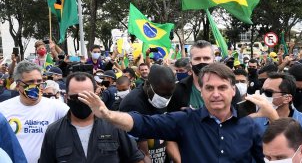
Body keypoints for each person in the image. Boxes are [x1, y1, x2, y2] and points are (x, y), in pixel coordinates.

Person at [78, 63, 265, 163]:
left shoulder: (250, 127)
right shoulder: (185, 121)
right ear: (202, 92)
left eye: (222, 87)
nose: (216, 94)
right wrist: (108, 114)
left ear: (233, 90)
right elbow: (141, 122)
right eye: (209, 88)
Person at [39, 72, 144, 163]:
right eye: (76, 97)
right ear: (66, 98)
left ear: (96, 95)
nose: (81, 100)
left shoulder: (114, 126)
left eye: (87, 96)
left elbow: (135, 159)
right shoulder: (54, 131)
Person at [0, 60, 69, 163]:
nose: (36, 86)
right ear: (18, 85)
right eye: (30, 82)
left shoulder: (57, 107)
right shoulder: (3, 109)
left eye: (39, 82)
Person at [255, 72, 302, 162]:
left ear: (287, 98)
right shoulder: (255, 123)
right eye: (262, 91)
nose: (263, 96)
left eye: (268, 93)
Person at [119, 65, 176, 162]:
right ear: (148, 84)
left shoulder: (168, 93)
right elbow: (139, 150)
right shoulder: (132, 103)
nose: (165, 99)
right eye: (161, 95)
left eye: (168, 95)